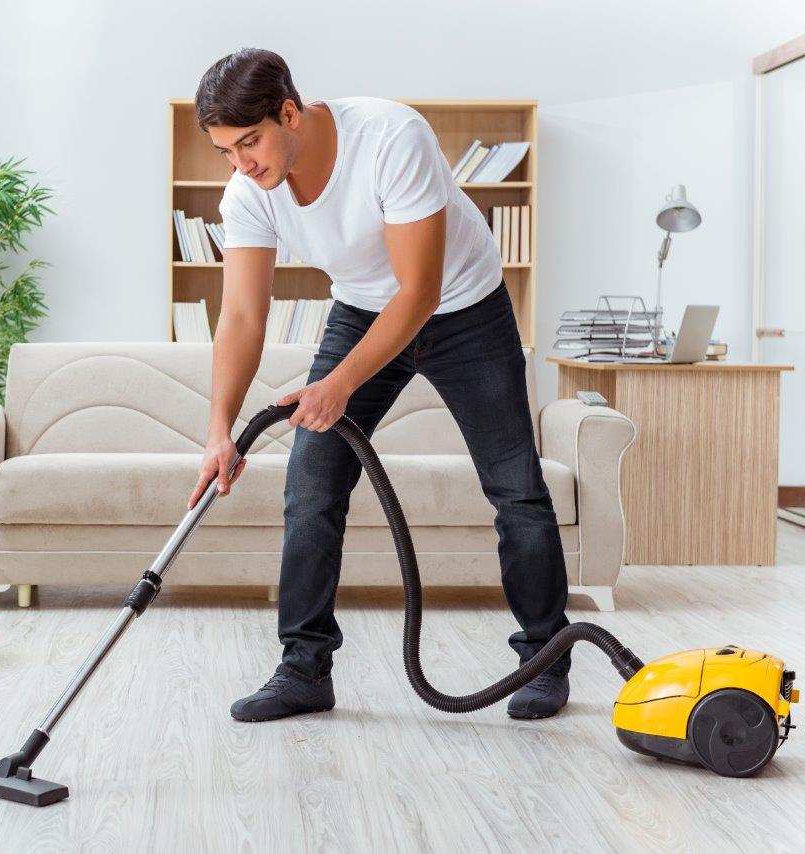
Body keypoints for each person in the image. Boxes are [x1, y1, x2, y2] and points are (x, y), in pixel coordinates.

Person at [187, 48, 572, 722]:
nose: (242, 164)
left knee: (515, 486)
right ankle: (303, 669)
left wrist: (338, 384)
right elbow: (244, 316)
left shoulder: (392, 138)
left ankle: (544, 660)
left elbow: (419, 291)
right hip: (362, 309)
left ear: (289, 112)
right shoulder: (248, 192)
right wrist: (220, 429)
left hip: (462, 308)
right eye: (225, 151)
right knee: (312, 484)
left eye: (250, 142)